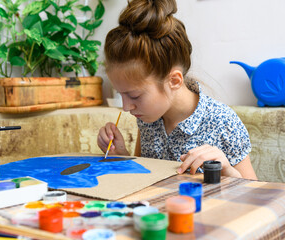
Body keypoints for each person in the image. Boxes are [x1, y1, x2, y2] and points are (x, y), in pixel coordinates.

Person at [97, 0, 257, 180]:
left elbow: (256, 196)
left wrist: (228, 172)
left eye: (134, 95)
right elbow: (143, 177)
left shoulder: (223, 122)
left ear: (174, 80)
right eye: (121, 94)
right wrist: (121, 155)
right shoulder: (148, 119)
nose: (126, 107)